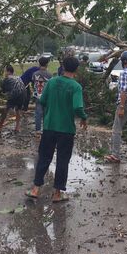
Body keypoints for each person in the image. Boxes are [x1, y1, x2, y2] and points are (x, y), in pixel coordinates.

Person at [27, 56, 87, 202]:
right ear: (76, 69)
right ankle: (57, 193)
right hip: (66, 129)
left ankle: (35, 189)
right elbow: (77, 107)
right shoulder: (76, 87)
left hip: (49, 126)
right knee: (62, 160)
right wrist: (84, 117)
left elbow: (42, 100)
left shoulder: (52, 82)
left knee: (44, 157)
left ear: (63, 67)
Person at [0, 65, 26, 133]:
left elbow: (2, 91)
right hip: (23, 94)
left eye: (5, 71)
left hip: (14, 94)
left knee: (6, 109)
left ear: (8, 71)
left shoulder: (7, 79)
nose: (4, 73)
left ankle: (0, 127)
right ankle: (17, 127)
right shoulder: (18, 77)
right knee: (18, 109)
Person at [32, 56, 53, 135]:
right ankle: (45, 129)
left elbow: (33, 82)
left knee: (38, 113)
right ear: (47, 64)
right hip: (46, 97)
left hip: (37, 96)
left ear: (39, 64)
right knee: (46, 113)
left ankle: (37, 130)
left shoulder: (35, 74)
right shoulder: (49, 75)